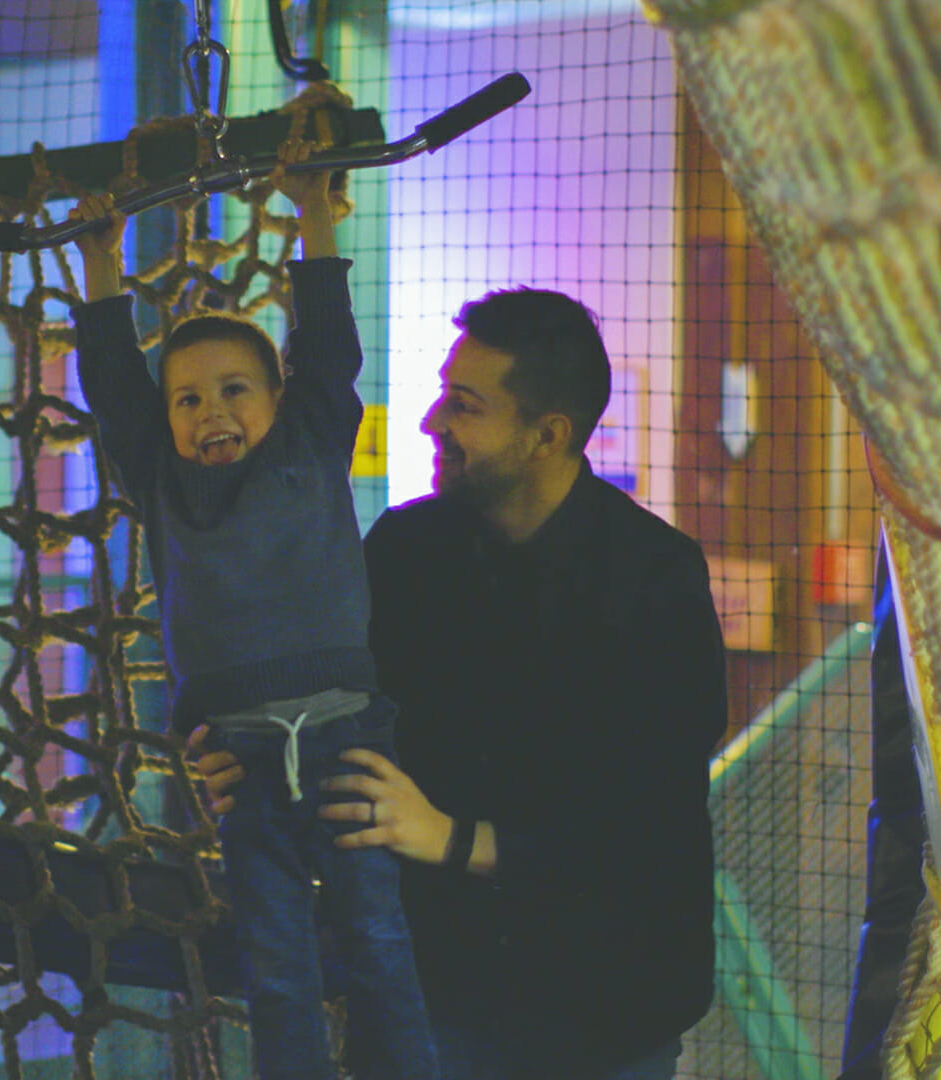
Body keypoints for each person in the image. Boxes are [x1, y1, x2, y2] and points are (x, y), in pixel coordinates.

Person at [194, 287, 728, 1080]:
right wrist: (257, 758)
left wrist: (446, 836)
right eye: (446, 393)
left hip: (601, 1014)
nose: (432, 422)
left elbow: (640, 833)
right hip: (430, 997)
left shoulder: (654, 581)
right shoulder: (407, 549)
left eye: (466, 405)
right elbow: (334, 708)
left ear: (548, 435)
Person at [68, 152, 438, 1080]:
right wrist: (101, 266)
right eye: (188, 400)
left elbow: (329, 347)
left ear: (278, 397)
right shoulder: (162, 482)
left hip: (349, 741)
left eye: (236, 388)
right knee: (277, 966)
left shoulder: (312, 440)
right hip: (240, 758)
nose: (212, 412)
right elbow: (116, 390)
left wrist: (316, 218)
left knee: (378, 943)